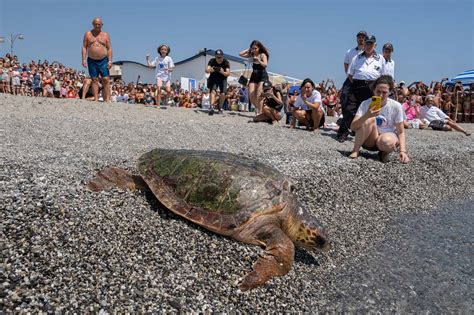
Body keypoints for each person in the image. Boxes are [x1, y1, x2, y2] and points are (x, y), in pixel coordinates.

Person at [349, 75, 409, 163]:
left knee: (387, 141)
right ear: (373, 90)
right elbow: (353, 127)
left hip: (386, 139)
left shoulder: (396, 106)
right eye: (378, 91)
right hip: (369, 139)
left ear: (389, 92)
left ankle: (384, 152)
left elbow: (401, 131)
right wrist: (367, 115)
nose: (380, 95)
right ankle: (355, 150)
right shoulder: (365, 104)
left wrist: (403, 151)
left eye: (384, 92)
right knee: (370, 120)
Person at [338, 35, 385, 142]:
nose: (368, 46)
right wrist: (356, 83)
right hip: (357, 86)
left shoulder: (380, 59)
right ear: (364, 45)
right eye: (367, 43)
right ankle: (343, 133)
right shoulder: (356, 57)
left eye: (371, 44)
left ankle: (369, 134)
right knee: (350, 109)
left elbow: (383, 75)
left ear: (375, 45)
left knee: (372, 111)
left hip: (372, 87)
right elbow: (350, 74)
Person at [337, 31, 367, 141]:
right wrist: (349, 75)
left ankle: (353, 128)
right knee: (344, 99)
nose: (361, 39)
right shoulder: (350, 51)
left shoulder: (369, 52)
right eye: (359, 37)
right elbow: (346, 64)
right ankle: (348, 125)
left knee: (359, 105)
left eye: (363, 37)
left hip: (362, 82)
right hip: (351, 79)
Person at [82, 17, 113, 102]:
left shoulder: (105, 35)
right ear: (93, 24)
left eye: (99, 24)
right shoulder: (88, 34)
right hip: (91, 60)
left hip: (103, 60)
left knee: (106, 79)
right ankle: (96, 99)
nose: (97, 26)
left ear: (102, 25)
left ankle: (107, 99)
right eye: (95, 24)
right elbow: (84, 47)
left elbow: (109, 48)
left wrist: (110, 61)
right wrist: (83, 59)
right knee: (94, 79)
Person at [239, 40, 269, 113]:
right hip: (254, 75)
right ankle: (259, 108)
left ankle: (260, 111)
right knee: (251, 95)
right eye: (253, 48)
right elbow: (240, 54)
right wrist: (249, 49)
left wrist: (259, 60)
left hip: (262, 75)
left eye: (255, 48)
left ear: (259, 48)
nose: (254, 50)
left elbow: (265, 65)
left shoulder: (262, 55)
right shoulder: (252, 54)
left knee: (259, 94)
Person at [205, 49, 230, 114]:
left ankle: (220, 107)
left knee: (223, 94)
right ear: (215, 56)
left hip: (223, 78)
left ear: (222, 56)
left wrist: (222, 72)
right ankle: (212, 107)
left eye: (220, 57)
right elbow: (206, 70)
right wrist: (211, 70)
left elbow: (228, 73)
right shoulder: (212, 61)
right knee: (213, 91)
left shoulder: (226, 62)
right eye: (217, 57)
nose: (218, 58)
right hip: (214, 78)